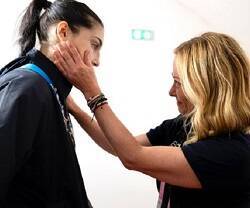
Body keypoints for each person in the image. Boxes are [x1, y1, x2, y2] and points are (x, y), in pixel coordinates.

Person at [53, 32, 250, 208]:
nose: (171, 92)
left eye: (178, 83)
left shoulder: (233, 152)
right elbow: (118, 145)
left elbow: (133, 156)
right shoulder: (184, 124)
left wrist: (91, 91)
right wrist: (74, 108)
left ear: (203, 88)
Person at [0, 0, 104, 207]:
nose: (97, 61)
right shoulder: (28, 88)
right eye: (94, 45)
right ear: (63, 32)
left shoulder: (49, 90)